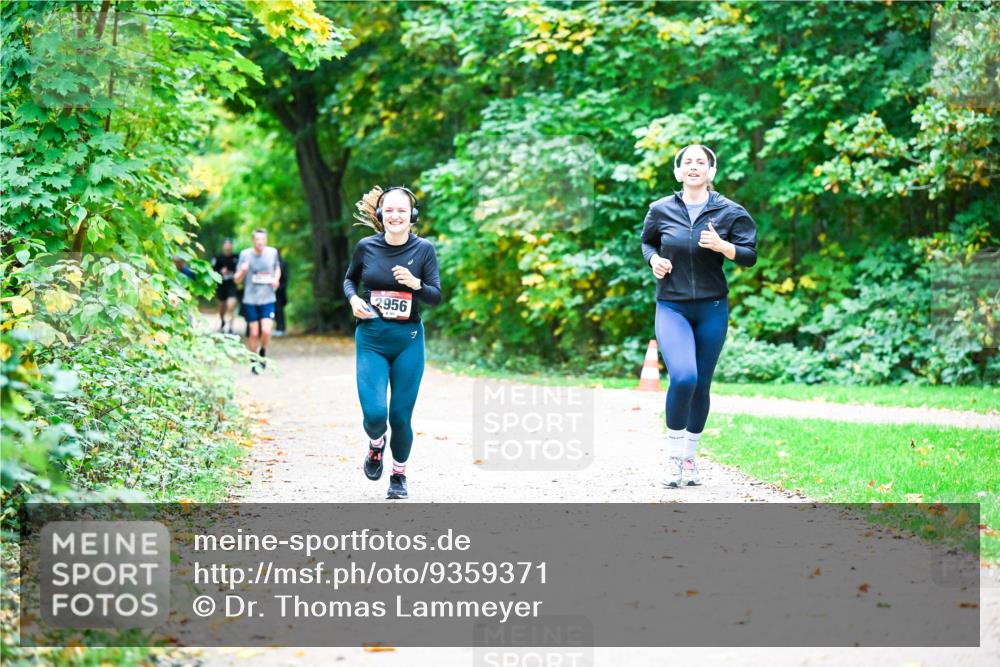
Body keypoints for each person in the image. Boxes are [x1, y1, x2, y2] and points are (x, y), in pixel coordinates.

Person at [640, 144, 757, 488]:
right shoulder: (660, 209)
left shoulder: (730, 212)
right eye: (687, 162)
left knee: (702, 384)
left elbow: (749, 256)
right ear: (678, 172)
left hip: (712, 308)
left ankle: (690, 459)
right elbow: (647, 243)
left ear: (711, 172)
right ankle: (673, 459)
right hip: (672, 306)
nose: (694, 166)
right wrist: (653, 261)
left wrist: (724, 247)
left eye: (700, 162)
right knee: (685, 378)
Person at [344, 186, 441, 500]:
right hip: (371, 339)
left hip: (408, 341)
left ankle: (398, 475)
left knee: (400, 416)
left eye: (402, 210)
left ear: (411, 216)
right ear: (380, 215)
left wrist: (417, 284)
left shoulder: (424, 250)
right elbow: (349, 279)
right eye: (389, 211)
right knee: (375, 415)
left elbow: (435, 296)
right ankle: (376, 445)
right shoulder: (366, 247)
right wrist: (353, 298)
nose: (395, 216)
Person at [234, 229, 281, 374]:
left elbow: (277, 268)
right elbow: (237, 279)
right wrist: (243, 271)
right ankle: (254, 360)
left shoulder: (272, 253)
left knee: (266, 330)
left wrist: (276, 280)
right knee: (254, 333)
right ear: (253, 240)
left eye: (262, 239)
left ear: (265, 241)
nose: (260, 242)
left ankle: (263, 352)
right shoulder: (245, 255)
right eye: (257, 239)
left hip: (268, 298)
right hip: (250, 299)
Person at [212, 239, 239, 334]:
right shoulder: (218, 258)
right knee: (222, 306)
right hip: (221, 286)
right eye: (226, 244)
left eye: (229, 244)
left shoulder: (237, 257)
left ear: (232, 246)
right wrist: (220, 272)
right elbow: (212, 271)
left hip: (232, 285)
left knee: (231, 305)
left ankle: (231, 328)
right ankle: (222, 320)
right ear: (223, 246)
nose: (228, 246)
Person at [273, 249, 289, 336]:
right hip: (273, 291)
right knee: (277, 310)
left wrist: (280, 287)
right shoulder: (272, 263)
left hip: (279, 291)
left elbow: (285, 278)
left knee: (279, 310)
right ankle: (279, 327)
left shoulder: (282, 264)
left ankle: (281, 328)